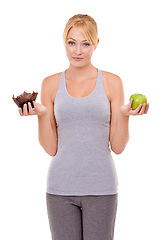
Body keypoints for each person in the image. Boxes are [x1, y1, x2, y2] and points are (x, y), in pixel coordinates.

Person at [19, 14, 149, 240]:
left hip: (102, 188)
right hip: (60, 189)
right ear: (64, 42)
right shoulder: (50, 84)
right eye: (72, 43)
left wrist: (124, 115)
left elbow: (117, 147)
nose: (78, 51)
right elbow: (51, 149)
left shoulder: (112, 82)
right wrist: (41, 115)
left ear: (96, 43)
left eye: (85, 43)